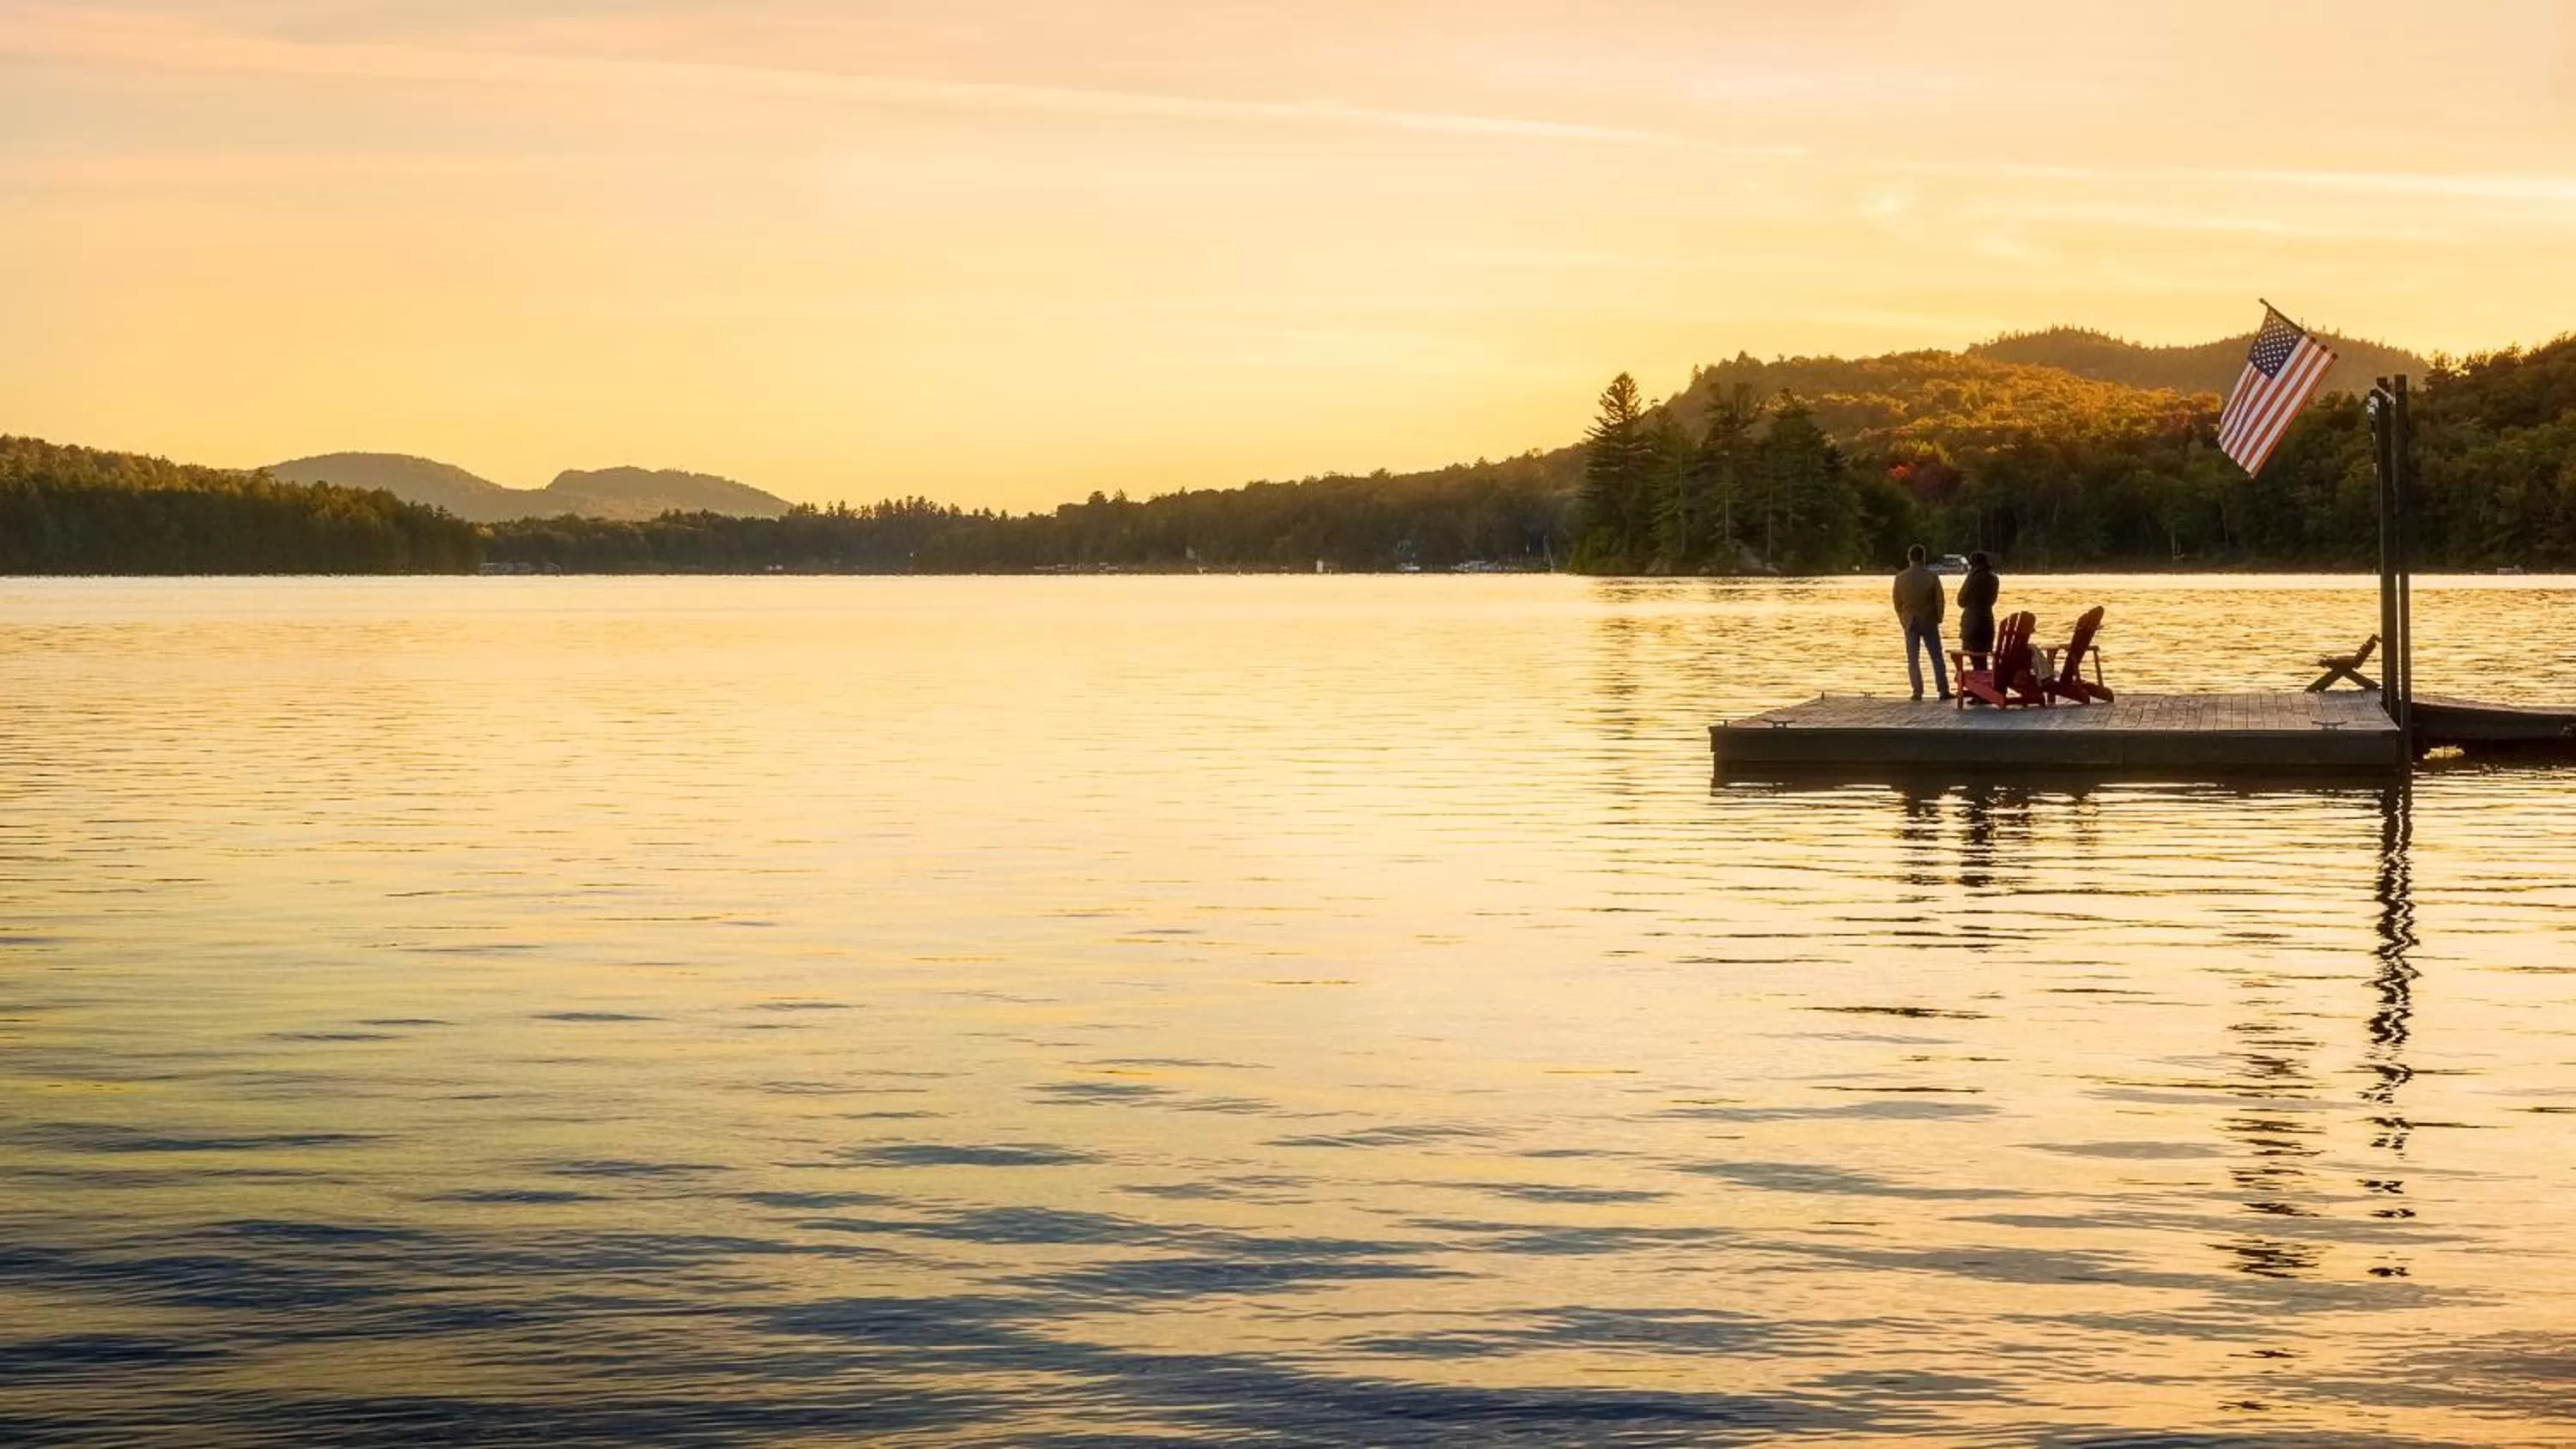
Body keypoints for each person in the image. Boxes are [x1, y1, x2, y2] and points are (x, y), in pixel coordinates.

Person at [1892, 544, 1949, 701]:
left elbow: (1897, 602)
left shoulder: (1900, 578)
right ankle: (1943, 690)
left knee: (1913, 658)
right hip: (1929, 619)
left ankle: (1917, 691)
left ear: (1909, 558)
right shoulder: (1931, 577)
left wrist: (1902, 619)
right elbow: (1940, 600)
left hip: (1910, 621)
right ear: (1923, 558)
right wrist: (1939, 617)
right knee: (1936, 656)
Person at [1955, 551, 1998, 671]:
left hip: (1972, 625)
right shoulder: (1993, 578)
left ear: (1973, 565)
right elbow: (1993, 600)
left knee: (1975, 657)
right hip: (1988, 623)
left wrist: (1969, 576)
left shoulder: (1973, 578)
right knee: (1982, 658)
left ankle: (1980, 683)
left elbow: (1961, 600)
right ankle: (1983, 678)